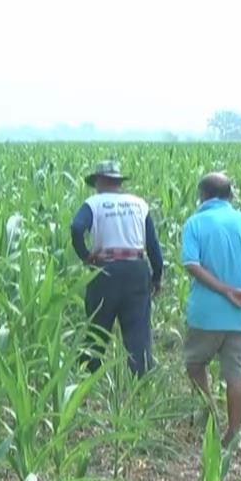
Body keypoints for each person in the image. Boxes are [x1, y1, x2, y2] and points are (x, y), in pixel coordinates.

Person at [180, 172, 241, 447]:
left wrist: (222, 290)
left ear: (202, 196)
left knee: (195, 364)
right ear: (230, 196)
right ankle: (233, 434)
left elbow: (191, 264)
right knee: (236, 375)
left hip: (205, 315)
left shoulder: (195, 223)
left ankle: (209, 417)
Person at [70, 160, 165, 376]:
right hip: (136, 269)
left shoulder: (93, 203)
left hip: (105, 270)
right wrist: (156, 276)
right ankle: (141, 384)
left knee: (97, 328)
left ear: (100, 181)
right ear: (118, 182)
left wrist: (85, 256)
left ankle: (87, 380)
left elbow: (76, 228)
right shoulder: (139, 204)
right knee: (137, 332)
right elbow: (152, 245)